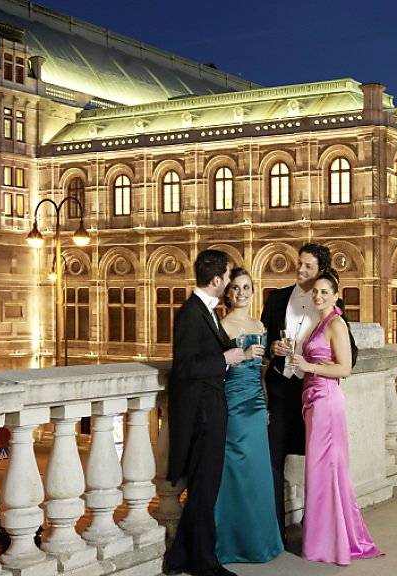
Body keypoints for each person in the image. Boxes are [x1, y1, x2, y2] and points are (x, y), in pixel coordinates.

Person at [262, 243, 358, 540]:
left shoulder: (329, 307)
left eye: (308, 267)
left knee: (318, 463)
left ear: (322, 273)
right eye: (299, 264)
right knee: (272, 458)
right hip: (280, 389)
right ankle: (275, 530)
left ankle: (316, 527)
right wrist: (272, 348)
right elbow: (262, 338)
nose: (301, 270)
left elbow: (349, 357)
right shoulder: (277, 299)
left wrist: (314, 365)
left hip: (313, 394)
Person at [289, 270, 382, 565]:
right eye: (315, 292)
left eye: (324, 292)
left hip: (326, 402)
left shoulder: (337, 324)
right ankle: (326, 536)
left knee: (325, 469)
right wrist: (298, 360)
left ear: (336, 294)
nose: (318, 296)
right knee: (321, 471)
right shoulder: (321, 321)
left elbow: (344, 369)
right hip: (314, 400)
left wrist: (308, 365)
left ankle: (329, 542)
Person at [163, 250, 244, 576]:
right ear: (216, 280)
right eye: (227, 276)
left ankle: (181, 556)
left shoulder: (205, 311)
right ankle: (205, 563)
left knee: (203, 488)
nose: (229, 281)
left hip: (210, 410)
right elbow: (185, 368)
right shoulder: (190, 313)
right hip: (201, 415)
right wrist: (228, 359)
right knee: (204, 490)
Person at [213, 268, 284, 564]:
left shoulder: (260, 325)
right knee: (235, 470)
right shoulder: (222, 326)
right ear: (228, 293)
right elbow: (216, 367)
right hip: (233, 403)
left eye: (247, 287)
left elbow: (264, 370)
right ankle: (231, 543)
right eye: (236, 288)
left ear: (254, 291)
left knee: (257, 473)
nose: (242, 293)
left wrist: (275, 351)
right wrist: (239, 357)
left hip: (256, 403)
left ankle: (260, 541)